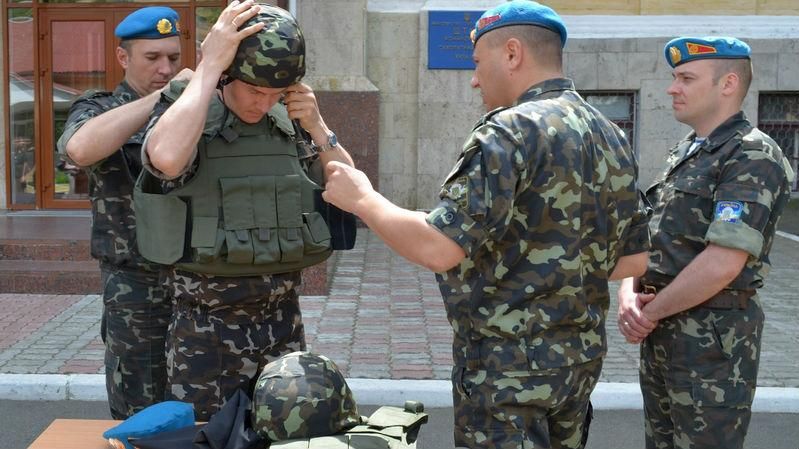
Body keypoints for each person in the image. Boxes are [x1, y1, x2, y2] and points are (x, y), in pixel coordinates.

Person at [322, 1, 650, 447]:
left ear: (512, 53)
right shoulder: (612, 134)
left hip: (507, 371)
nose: (474, 79)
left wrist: (363, 199)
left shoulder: (509, 132)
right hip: (578, 362)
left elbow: (439, 249)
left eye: (477, 63)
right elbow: (632, 259)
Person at [135, 1, 354, 420]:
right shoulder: (190, 108)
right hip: (205, 331)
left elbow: (350, 189)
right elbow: (164, 158)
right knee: (204, 436)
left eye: (275, 94)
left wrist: (318, 127)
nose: (263, 103)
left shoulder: (290, 120)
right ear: (228, 74)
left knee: (285, 437)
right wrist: (208, 67)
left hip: (283, 322)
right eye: (255, 90)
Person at [616, 36, 795, 449]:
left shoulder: (751, 155)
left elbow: (722, 263)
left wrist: (647, 313)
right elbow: (647, 233)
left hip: (712, 345)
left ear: (727, 83)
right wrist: (628, 295)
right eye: (675, 78)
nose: (671, 88)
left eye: (685, 78)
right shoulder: (688, 151)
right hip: (663, 334)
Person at [56, 6, 189, 419]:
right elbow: (79, 148)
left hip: (199, 284)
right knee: (140, 412)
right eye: (152, 58)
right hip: (135, 289)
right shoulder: (101, 107)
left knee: (201, 412)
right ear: (123, 58)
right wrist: (161, 100)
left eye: (173, 57)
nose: (165, 68)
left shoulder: (196, 109)